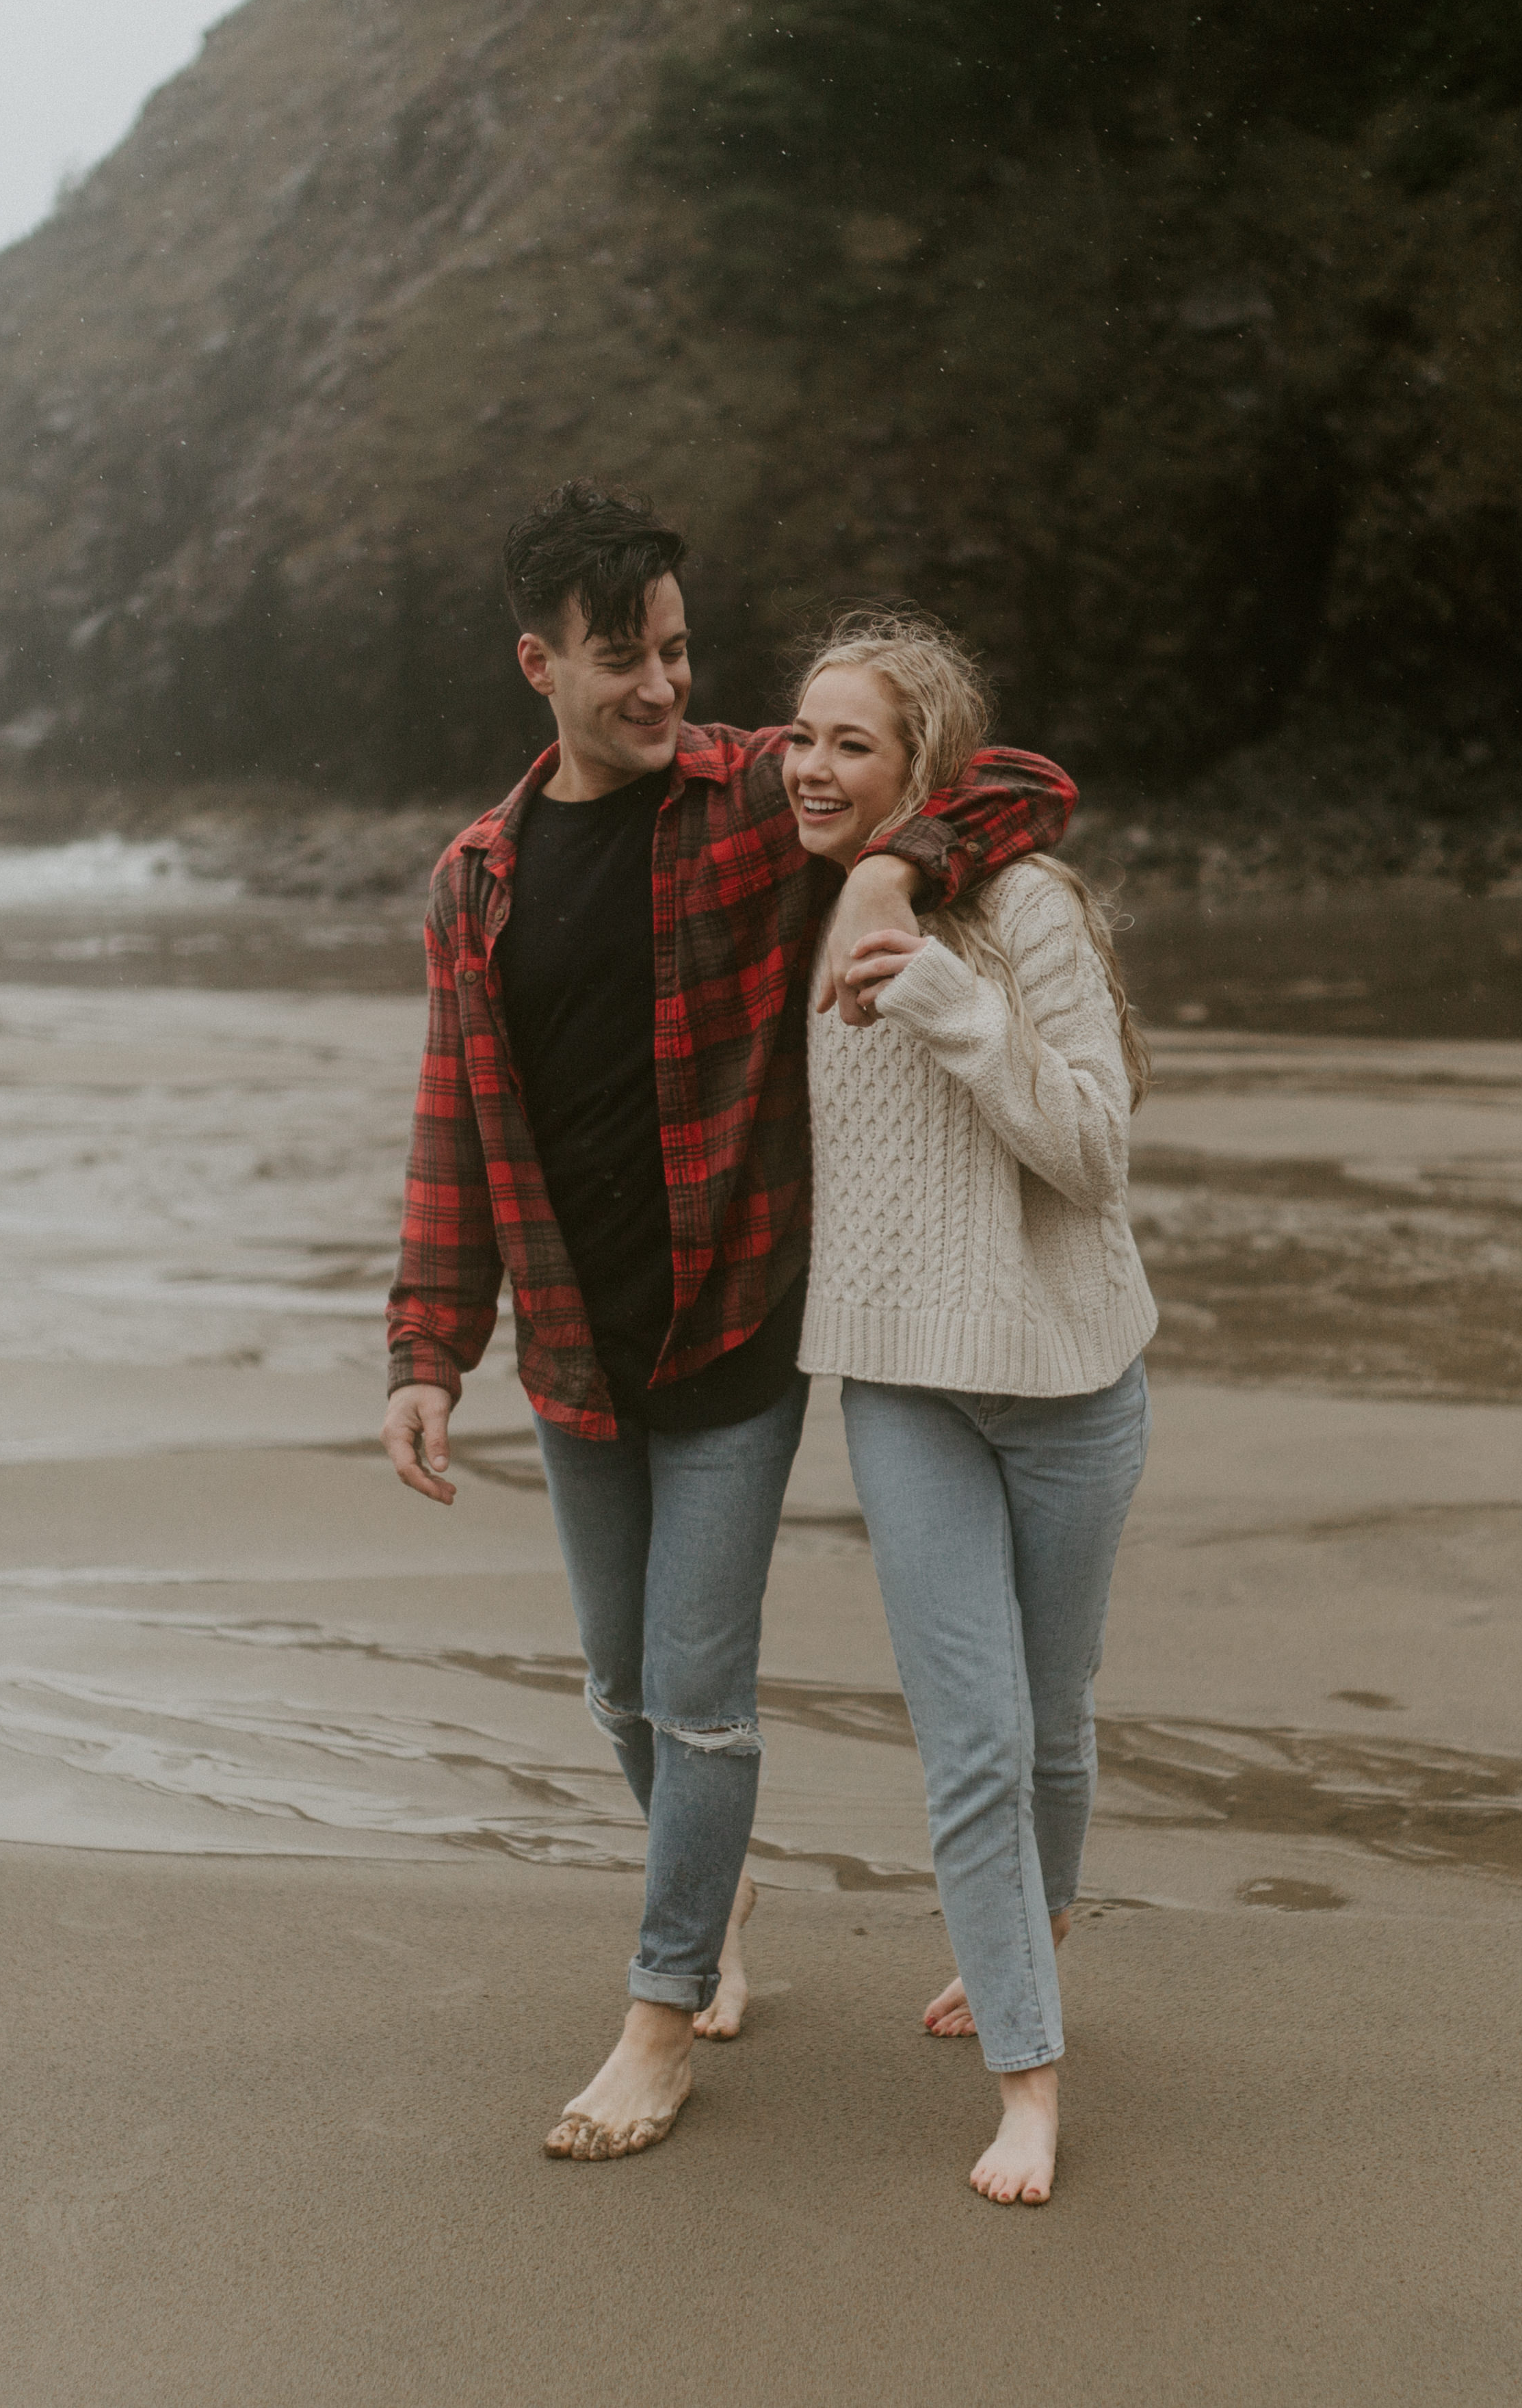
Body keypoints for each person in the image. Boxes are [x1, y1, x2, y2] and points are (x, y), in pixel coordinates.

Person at [380, 488, 1077, 2162]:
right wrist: (423, 1348)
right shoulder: (475, 881)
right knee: (623, 1700)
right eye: (625, 659)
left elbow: (1022, 780)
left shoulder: (759, 799)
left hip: (731, 1340)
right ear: (539, 663)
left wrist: (892, 868)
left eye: (681, 651)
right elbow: (453, 1126)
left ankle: (656, 2016)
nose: (663, 688)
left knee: (698, 1702)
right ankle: (716, 1889)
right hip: (570, 1351)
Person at [786, 608, 1157, 2206]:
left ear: (920, 769)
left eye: (849, 744)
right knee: (974, 1735)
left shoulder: (1025, 909)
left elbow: (1093, 1151)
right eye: (798, 738)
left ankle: (1033, 1926)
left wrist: (941, 989)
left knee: (1055, 1716)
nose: (808, 767)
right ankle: (1029, 2067)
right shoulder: (790, 893)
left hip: (1071, 1381)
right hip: (899, 1380)